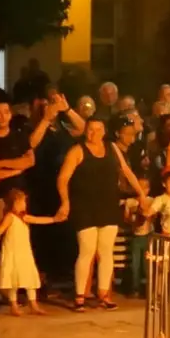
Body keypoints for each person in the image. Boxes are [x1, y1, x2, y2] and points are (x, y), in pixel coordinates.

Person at [58, 116, 127, 311]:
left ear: (104, 131)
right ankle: (80, 295)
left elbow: (126, 170)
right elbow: (63, 178)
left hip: (108, 205)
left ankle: (103, 294)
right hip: (84, 206)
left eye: (98, 129)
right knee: (87, 250)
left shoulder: (112, 148)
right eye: (90, 129)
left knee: (106, 251)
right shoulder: (77, 150)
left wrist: (140, 193)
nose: (94, 133)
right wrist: (65, 202)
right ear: (85, 131)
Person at [0, 187, 60, 314]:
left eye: (24, 202)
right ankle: (14, 305)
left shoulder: (24, 217)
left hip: (24, 251)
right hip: (12, 251)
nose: (23, 204)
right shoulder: (10, 216)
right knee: (13, 279)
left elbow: (37, 220)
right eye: (20, 202)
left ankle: (33, 304)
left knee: (29, 277)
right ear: (13, 203)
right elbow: (0, 231)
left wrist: (54, 219)